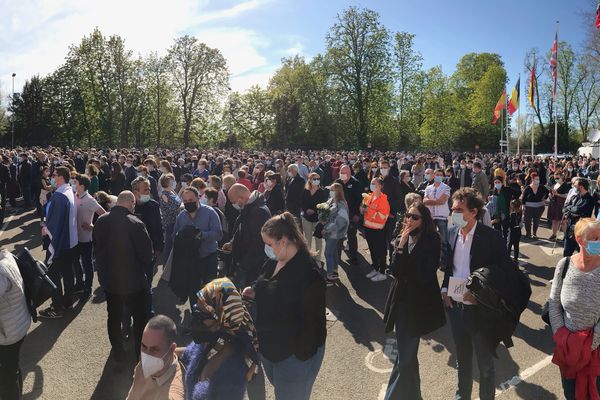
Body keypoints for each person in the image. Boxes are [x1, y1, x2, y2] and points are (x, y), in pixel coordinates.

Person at [242, 212, 326, 400]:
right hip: (271, 350)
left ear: (284, 240)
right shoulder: (274, 260)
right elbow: (264, 282)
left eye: (269, 244)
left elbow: (312, 322)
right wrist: (254, 290)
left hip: (293, 357)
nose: (266, 249)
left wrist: (298, 356)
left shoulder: (308, 273)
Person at [441, 187, 512, 400]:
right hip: (455, 308)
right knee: (462, 360)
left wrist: (478, 294)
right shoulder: (452, 231)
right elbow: (448, 267)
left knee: (485, 365)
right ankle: (462, 396)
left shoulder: (490, 237)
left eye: (459, 209)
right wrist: (444, 290)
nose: (454, 214)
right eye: (452, 209)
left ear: (473, 212)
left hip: (481, 311)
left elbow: (504, 272)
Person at [383, 203, 445, 399]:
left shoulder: (432, 240)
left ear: (424, 221)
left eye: (414, 217)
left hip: (419, 305)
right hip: (400, 303)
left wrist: (404, 262)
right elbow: (395, 271)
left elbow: (425, 273)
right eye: (408, 216)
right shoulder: (403, 239)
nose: (409, 220)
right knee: (406, 356)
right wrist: (401, 245)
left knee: (405, 359)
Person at [93, 191, 154, 362]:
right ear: (131, 203)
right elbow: (147, 256)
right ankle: (138, 357)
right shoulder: (135, 222)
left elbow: (96, 248)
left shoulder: (101, 220)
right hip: (134, 282)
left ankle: (118, 354)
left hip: (110, 282)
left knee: (113, 318)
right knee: (139, 320)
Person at [179, 278, 260, 400]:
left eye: (201, 313)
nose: (195, 319)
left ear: (221, 318)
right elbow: (188, 354)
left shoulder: (232, 374)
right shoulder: (211, 341)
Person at [548, 218, 600, 399]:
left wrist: (589, 345)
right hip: (567, 350)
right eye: (594, 238)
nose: (598, 242)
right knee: (570, 394)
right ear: (579, 240)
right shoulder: (564, 265)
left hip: (595, 352)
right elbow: (554, 302)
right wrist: (561, 335)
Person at [172, 187, 222, 307]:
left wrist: (202, 235)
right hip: (190, 260)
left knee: (209, 289)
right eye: (185, 201)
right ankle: (196, 315)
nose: (188, 202)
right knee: (193, 289)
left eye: (191, 199)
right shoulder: (181, 216)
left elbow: (218, 234)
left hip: (208, 257)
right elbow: (174, 236)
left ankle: (210, 316)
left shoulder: (210, 213)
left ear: (198, 198)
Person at [39, 166, 78, 319]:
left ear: (61, 177)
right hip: (71, 241)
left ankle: (57, 307)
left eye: (54, 175)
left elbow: (55, 224)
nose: (51, 178)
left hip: (61, 243)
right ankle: (67, 302)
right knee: (68, 273)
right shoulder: (69, 191)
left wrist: (45, 230)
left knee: (53, 275)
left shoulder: (59, 196)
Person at [126, 315, 184, 400]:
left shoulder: (173, 393)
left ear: (172, 348)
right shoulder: (142, 367)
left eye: (154, 349)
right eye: (144, 346)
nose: (147, 355)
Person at [224, 184, 271, 288]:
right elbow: (241, 229)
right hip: (246, 263)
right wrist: (232, 243)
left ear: (241, 198)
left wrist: (244, 264)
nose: (233, 205)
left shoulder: (258, 211)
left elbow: (258, 243)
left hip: (252, 267)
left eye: (233, 202)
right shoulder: (249, 208)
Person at [0, 250, 31, 400]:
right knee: (11, 366)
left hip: (9, 333)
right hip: (18, 323)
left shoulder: (1, 272)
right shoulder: (7, 256)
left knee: (7, 377)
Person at [73, 174, 106, 300]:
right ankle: (80, 284)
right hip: (75, 237)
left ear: (81, 185)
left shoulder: (90, 200)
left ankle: (88, 287)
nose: (74, 184)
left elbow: (104, 214)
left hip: (86, 238)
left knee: (87, 263)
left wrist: (93, 227)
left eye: (76, 182)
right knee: (76, 262)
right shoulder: (75, 196)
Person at [362, 178, 391, 282]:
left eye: (374, 183)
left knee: (381, 251)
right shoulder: (369, 197)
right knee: (372, 250)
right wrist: (362, 209)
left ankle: (382, 272)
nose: (372, 185)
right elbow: (363, 209)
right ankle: (375, 268)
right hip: (369, 229)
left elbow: (382, 216)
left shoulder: (383, 200)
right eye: (371, 183)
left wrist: (367, 210)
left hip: (378, 230)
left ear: (380, 186)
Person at [132, 176, 164, 265]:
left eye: (149, 189)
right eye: (145, 190)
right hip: (132, 250)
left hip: (150, 249)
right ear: (135, 192)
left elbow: (159, 227)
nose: (148, 192)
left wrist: (158, 248)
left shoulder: (154, 205)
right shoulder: (129, 206)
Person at [322, 183, 349, 282]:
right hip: (329, 232)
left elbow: (341, 221)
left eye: (333, 190)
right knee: (333, 252)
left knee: (328, 253)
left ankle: (330, 275)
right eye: (331, 190)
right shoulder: (330, 200)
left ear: (338, 191)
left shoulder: (341, 203)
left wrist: (327, 228)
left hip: (335, 233)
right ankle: (334, 271)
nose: (331, 192)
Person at [337, 165, 363, 264]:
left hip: (352, 215)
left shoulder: (355, 183)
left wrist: (356, 214)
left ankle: (354, 257)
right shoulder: (338, 182)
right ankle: (337, 256)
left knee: (351, 236)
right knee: (339, 236)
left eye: (344, 172)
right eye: (341, 172)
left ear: (349, 173)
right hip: (339, 214)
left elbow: (359, 200)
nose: (342, 174)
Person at [563, 178, 595, 256]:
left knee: (581, 252)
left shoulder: (589, 199)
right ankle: (566, 266)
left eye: (575, 185)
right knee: (567, 252)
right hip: (570, 228)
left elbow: (577, 210)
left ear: (581, 186)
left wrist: (571, 209)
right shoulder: (575, 197)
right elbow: (565, 208)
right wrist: (571, 210)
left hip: (581, 229)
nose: (574, 186)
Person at [423, 168, 451, 261]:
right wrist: (436, 201)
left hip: (442, 216)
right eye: (436, 174)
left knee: (444, 241)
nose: (438, 176)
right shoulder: (428, 188)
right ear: (433, 175)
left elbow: (442, 201)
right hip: (430, 217)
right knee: (431, 239)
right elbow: (424, 201)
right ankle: (432, 258)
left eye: (440, 175)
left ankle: (444, 260)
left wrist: (431, 201)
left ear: (442, 176)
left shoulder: (446, 187)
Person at [301, 173, 328, 262]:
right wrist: (306, 210)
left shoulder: (322, 192)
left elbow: (324, 206)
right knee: (307, 240)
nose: (316, 180)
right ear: (310, 180)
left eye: (318, 178)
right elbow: (302, 202)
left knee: (318, 240)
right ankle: (309, 259)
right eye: (314, 179)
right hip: (306, 218)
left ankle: (318, 259)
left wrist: (314, 210)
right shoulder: (305, 190)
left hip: (318, 219)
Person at [158, 173, 182, 265]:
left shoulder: (172, 192)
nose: (175, 182)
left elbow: (178, 201)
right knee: (168, 245)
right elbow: (172, 209)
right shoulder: (165, 195)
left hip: (176, 221)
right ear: (169, 182)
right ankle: (166, 265)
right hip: (170, 222)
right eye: (173, 180)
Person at [520, 172, 549, 239]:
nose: (538, 180)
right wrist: (523, 206)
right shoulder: (528, 188)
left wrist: (544, 199)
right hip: (528, 207)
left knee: (536, 221)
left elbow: (547, 192)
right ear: (532, 179)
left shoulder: (542, 187)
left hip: (539, 207)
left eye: (538, 179)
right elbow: (523, 198)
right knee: (528, 221)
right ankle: (528, 233)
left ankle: (534, 234)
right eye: (536, 179)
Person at [548, 171, 570, 241]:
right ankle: (554, 234)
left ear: (562, 177)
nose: (556, 179)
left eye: (558, 177)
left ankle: (565, 236)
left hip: (561, 205)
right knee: (554, 220)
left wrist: (558, 194)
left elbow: (567, 196)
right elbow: (550, 193)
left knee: (563, 221)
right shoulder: (554, 184)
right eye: (555, 177)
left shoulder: (565, 185)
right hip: (554, 204)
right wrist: (550, 195)